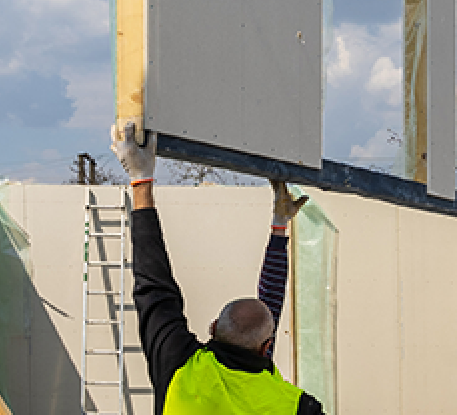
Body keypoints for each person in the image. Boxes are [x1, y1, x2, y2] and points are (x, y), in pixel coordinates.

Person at [113, 122, 326, 415]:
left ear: (213, 328)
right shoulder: (296, 407)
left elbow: (154, 285)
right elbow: (264, 317)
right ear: (266, 348)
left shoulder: (180, 369)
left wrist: (141, 179)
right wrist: (278, 229)